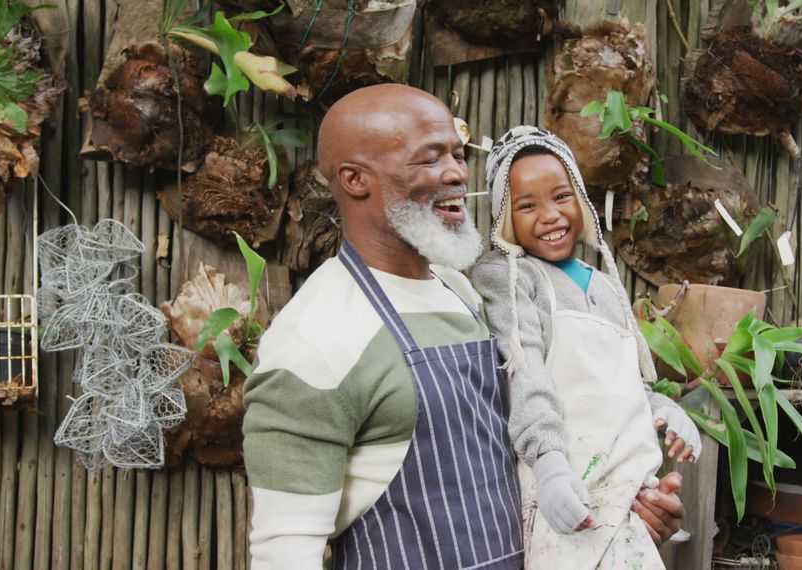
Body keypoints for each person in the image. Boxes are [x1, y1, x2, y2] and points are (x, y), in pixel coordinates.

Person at [242, 84, 685, 570]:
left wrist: (620, 517)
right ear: (354, 178)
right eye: (429, 159)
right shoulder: (316, 339)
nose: (456, 173)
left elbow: (547, 428)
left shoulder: (465, 293)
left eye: (457, 153)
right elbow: (284, 553)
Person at [470, 127, 702, 569]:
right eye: (527, 205)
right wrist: (549, 464)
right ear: (503, 216)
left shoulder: (604, 285)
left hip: (623, 499)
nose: (550, 215)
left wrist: (665, 410)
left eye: (561, 196)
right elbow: (526, 372)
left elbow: (622, 385)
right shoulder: (511, 276)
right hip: (564, 494)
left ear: (580, 196)